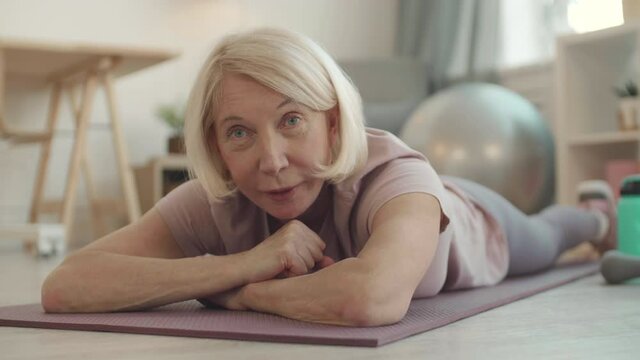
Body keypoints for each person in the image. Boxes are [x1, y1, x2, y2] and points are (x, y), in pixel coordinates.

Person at [40, 28, 617, 327]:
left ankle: (596, 212)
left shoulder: (396, 175)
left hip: (476, 221)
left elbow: (370, 297)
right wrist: (245, 261)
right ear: (216, 145)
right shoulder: (214, 201)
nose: (271, 160)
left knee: (550, 235)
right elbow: (66, 285)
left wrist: (238, 296)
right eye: (239, 132)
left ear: (333, 122)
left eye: (292, 120)